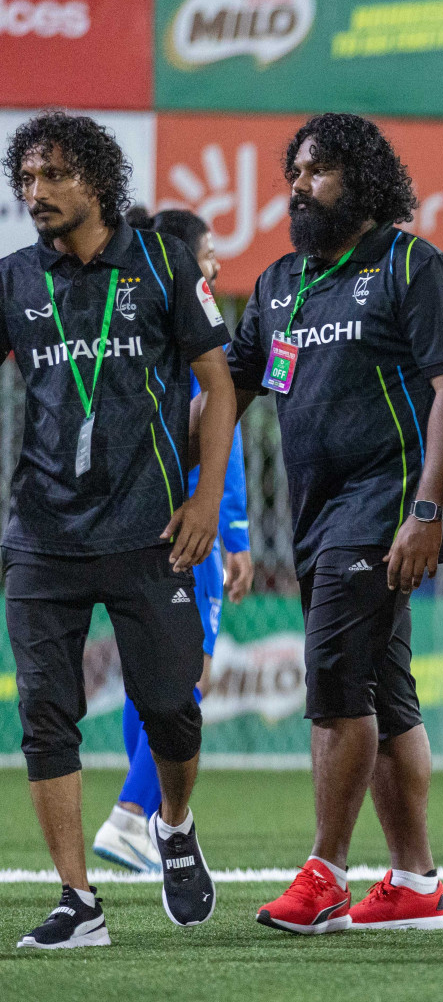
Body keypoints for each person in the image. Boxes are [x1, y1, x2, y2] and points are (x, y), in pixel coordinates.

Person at [226, 113, 443, 934]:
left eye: (319, 171)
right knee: (386, 695)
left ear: (363, 180)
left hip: (385, 511)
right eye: (294, 172)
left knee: (336, 678)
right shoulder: (277, 285)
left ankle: (326, 873)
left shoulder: (414, 266)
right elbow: (226, 386)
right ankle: (415, 885)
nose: (300, 186)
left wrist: (429, 510)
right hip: (314, 516)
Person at [2, 110, 235, 947]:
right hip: (41, 536)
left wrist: (209, 500)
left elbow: (216, 381)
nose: (37, 193)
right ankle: (78, 900)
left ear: (96, 181)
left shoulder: (165, 264)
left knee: (171, 708)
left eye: (54, 176)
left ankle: (171, 825)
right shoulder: (14, 280)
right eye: (26, 179)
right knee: (45, 716)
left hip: (151, 531)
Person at [92, 206, 254, 875]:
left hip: (131, 520)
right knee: (191, 674)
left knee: (146, 677)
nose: (216, 265)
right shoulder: (194, 323)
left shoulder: (131, 322)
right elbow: (220, 425)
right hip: (190, 520)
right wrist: (235, 529)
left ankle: (143, 815)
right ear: (185, 261)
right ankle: (135, 817)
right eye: (209, 253)